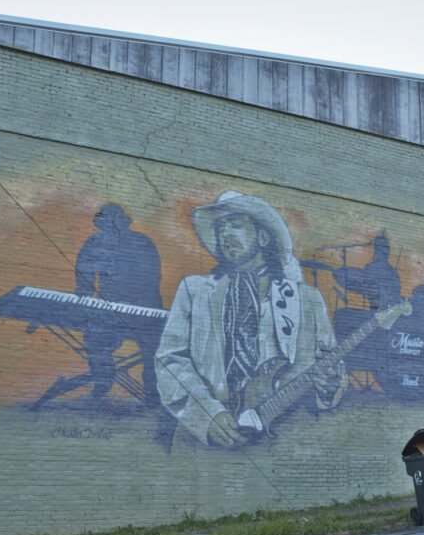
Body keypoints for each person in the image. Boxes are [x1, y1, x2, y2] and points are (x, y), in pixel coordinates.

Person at [156, 191, 347, 447]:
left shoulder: (307, 299)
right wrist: (208, 416)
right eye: (220, 228)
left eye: (235, 224)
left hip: (281, 438)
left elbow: (331, 362)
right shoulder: (194, 290)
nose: (226, 234)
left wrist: (329, 386)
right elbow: (170, 359)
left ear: (263, 236)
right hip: (206, 441)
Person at [75, 203, 163, 406]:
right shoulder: (95, 242)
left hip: (143, 309)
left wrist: (128, 301)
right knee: (92, 335)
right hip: (109, 309)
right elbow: (83, 270)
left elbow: (152, 278)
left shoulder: (142, 243)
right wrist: (84, 292)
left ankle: (152, 393)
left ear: (121, 223)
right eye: (102, 225)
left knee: (151, 347)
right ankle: (103, 379)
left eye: (110, 224)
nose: (105, 229)